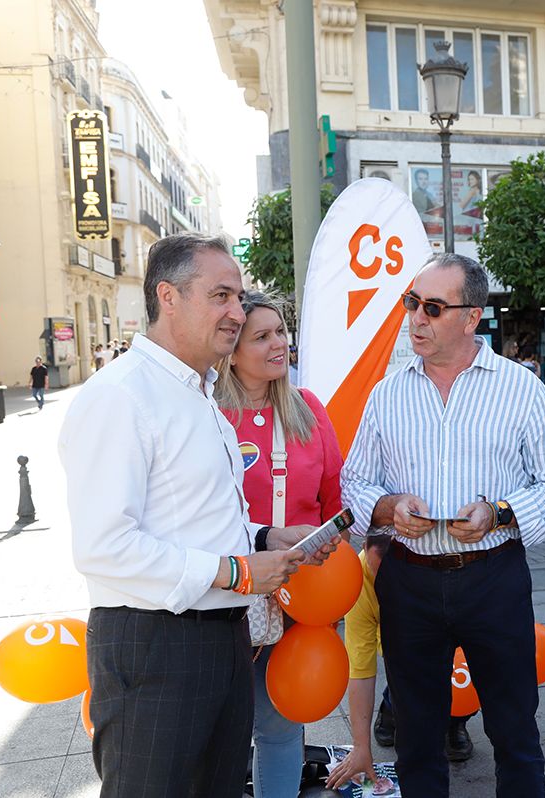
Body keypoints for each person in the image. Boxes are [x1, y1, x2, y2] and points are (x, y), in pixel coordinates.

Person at [58, 231, 336, 798]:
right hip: (156, 645)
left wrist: (264, 535)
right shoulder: (122, 395)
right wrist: (236, 572)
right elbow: (104, 546)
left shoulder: (198, 392)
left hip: (220, 638)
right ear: (169, 296)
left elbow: (192, 516)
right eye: (221, 296)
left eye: (238, 297)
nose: (237, 312)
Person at [341, 252, 545, 797]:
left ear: (472, 317)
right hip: (409, 580)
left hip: (493, 576)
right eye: (411, 304)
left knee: (514, 728)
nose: (416, 318)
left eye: (432, 307)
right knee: (417, 736)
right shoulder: (387, 394)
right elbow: (355, 481)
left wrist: (500, 513)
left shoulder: (521, 390)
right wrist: (388, 506)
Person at [215, 290, 345, 798]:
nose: (278, 345)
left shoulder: (307, 407)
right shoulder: (209, 414)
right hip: (228, 591)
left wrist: (335, 545)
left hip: (306, 595)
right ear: (232, 347)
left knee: (280, 723)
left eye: (281, 333)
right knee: (220, 727)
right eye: (262, 336)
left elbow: (336, 495)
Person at [325, 534, 477, 793]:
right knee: (409, 699)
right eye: (379, 575)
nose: (387, 587)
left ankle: (455, 722)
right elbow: (360, 669)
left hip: (441, 649)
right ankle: (390, 708)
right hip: (395, 648)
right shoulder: (357, 579)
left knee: (459, 679)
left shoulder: (441, 568)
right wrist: (361, 747)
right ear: (364, 548)